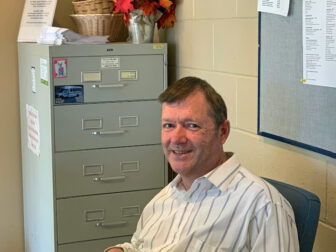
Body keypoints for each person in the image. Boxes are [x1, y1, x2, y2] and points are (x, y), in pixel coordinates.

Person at [105, 76, 299, 252]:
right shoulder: (163, 199)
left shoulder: (262, 206)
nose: (176, 138)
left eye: (192, 125)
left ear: (222, 132)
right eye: (169, 125)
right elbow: (141, 246)